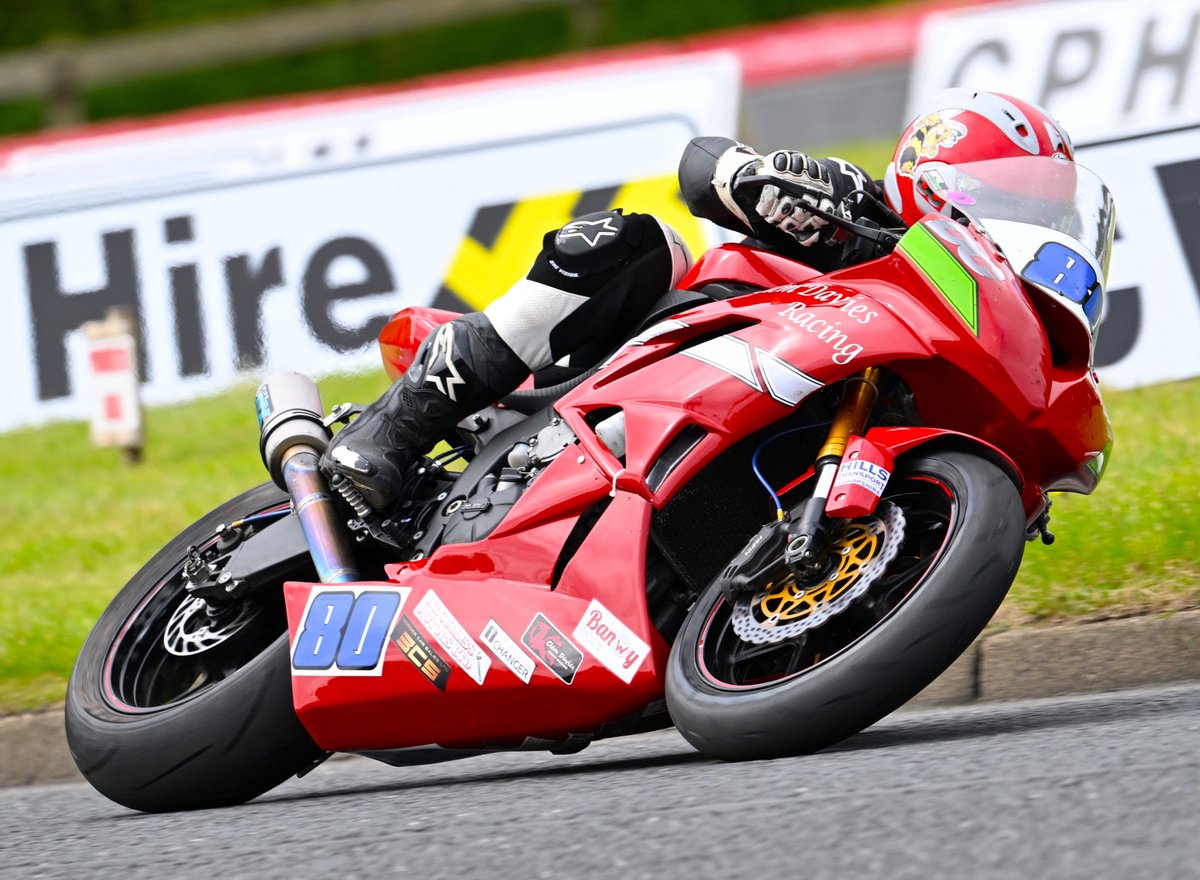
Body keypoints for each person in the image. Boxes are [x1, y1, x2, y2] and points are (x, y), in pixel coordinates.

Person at [321, 89, 1076, 515]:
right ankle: (397, 426)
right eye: (1006, 193)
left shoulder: (969, 309)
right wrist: (757, 180)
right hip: (656, 355)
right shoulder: (858, 201)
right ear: (940, 172)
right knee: (642, 242)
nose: (1017, 218)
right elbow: (704, 166)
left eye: (1040, 209)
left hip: (766, 425)